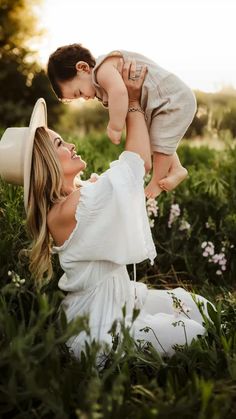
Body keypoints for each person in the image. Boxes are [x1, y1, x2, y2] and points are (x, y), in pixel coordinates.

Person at [0, 62, 210, 362]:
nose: (71, 145)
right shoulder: (67, 210)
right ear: (45, 162)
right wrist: (133, 102)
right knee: (194, 331)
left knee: (200, 307)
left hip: (122, 297)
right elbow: (137, 164)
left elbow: (130, 170)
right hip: (102, 322)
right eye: (60, 143)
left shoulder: (78, 197)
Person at [47, 43, 197, 199]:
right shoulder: (98, 84)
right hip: (161, 104)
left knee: (161, 143)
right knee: (157, 140)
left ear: (83, 67)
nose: (84, 98)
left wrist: (115, 126)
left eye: (79, 92)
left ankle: (157, 180)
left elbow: (119, 92)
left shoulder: (103, 70)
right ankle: (177, 169)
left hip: (171, 99)